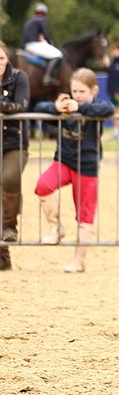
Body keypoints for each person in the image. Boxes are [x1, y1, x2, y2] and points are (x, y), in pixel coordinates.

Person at [33, 68, 114, 273]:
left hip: (87, 167)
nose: (76, 96)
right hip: (64, 162)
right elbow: (38, 107)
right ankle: (56, 227)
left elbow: (107, 109)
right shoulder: (65, 108)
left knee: (85, 216)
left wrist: (80, 107)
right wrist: (56, 106)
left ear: (94, 90)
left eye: (81, 92)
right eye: (74, 91)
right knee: (43, 185)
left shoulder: (95, 106)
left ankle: (78, 261)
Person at [0, 43, 31, 271]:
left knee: (9, 178)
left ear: (7, 59)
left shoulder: (20, 77)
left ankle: (10, 226)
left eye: (1, 59)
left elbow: (21, 105)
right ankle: (3, 256)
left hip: (14, 142)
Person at [21, 3, 63, 87]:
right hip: (33, 45)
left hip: (26, 46)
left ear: (35, 13)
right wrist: (51, 43)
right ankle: (48, 77)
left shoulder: (29, 21)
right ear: (45, 14)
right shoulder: (41, 20)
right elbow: (46, 34)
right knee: (58, 55)